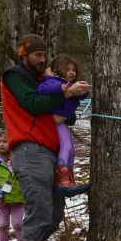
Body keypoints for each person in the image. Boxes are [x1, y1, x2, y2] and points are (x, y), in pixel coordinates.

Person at [0, 34, 91, 241]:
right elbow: (32, 103)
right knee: (40, 209)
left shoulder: (45, 80)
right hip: (29, 150)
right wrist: (64, 91)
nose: (42, 60)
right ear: (24, 55)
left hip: (49, 151)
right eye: (37, 55)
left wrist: (71, 97)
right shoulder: (14, 76)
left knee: (53, 214)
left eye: (44, 55)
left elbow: (59, 112)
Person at [37, 54, 88, 189]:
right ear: (59, 69)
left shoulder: (68, 84)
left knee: (71, 148)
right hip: (56, 121)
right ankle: (62, 177)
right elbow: (42, 89)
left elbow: (80, 96)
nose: (72, 72)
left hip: (63, 121)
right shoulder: (53, 81)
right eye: (68, 69)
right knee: (66, 146)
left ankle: (68, 177)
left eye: (74, 70)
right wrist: (61, 89)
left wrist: (82, 89)